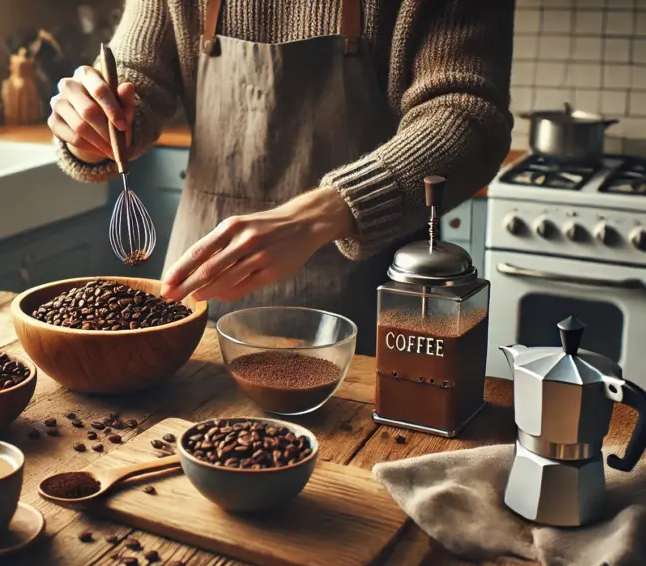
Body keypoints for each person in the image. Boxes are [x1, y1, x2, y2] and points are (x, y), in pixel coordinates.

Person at [50, 0, 513, 354]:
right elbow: (137, 77)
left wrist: (329, 210)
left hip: (363, 321)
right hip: (199, 317)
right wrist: (94, 123)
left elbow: (467, 115)